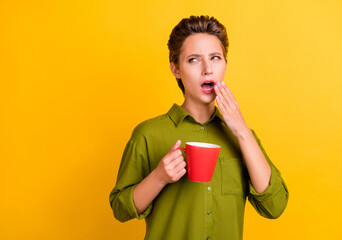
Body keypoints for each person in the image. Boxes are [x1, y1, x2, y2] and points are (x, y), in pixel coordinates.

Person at [109, 15, 289, 240]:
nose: (207, 69)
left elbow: (276, 205)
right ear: (176, 69)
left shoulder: (244, 137)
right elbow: (120, 209)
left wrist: (242, 131)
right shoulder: (147, 134)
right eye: (194, 60)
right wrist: (159, 177)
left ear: (225, 64)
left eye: (215, 58)